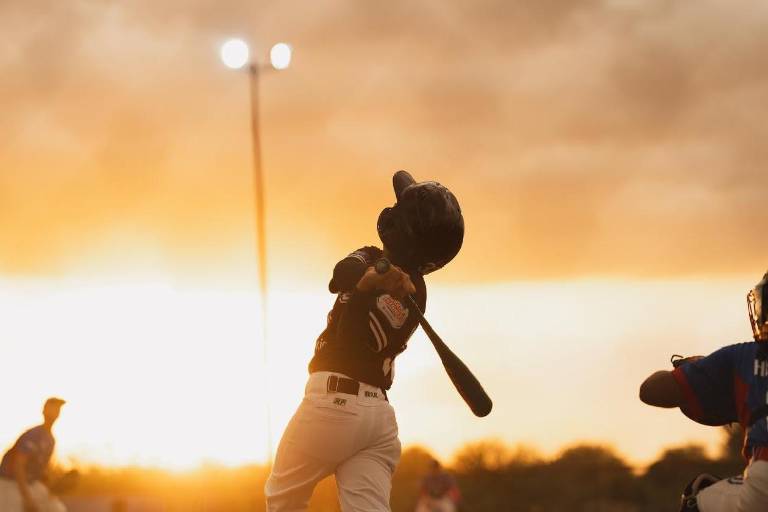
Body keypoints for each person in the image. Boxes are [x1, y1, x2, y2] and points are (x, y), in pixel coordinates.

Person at [265, 170, 465, 512]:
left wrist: (371, 289)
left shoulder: (412, 295)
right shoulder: (374, 257)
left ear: (406, 231)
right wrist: (378, 276)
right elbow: (340, 274)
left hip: (334, 404)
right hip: (374, 421)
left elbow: (354, 342)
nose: (391, 211)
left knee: (283, 498)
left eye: (399, 210)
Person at [639, 271, 768, 511]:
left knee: (699, 496)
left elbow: (651, 391)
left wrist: (695, 367)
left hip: (765, 478)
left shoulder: (743, 357)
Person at [0, 398, 68, 512]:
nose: (54, 412)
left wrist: (56, 485)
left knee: (57, 509)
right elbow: (18, 466)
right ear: (44, 411)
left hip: (31, 483)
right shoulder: (33, 434)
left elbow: (41, 472)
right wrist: (28, 499)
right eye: (51, 408)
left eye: (57, 409)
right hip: (9, 482)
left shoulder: (51, 439)